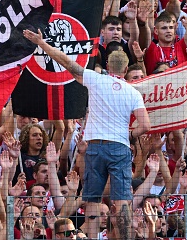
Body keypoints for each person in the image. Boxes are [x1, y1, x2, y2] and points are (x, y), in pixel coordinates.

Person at [23, 29, 150, 238]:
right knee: (121, 202)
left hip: (95, 147)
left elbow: (67, 63)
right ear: (126, 69)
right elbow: (145, 125)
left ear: (108, 66)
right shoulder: (133, 92)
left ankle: (91, 237)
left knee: (92, 199)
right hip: (120, 147)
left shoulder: (96, 79)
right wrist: (128, 136)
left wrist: (43, 44)